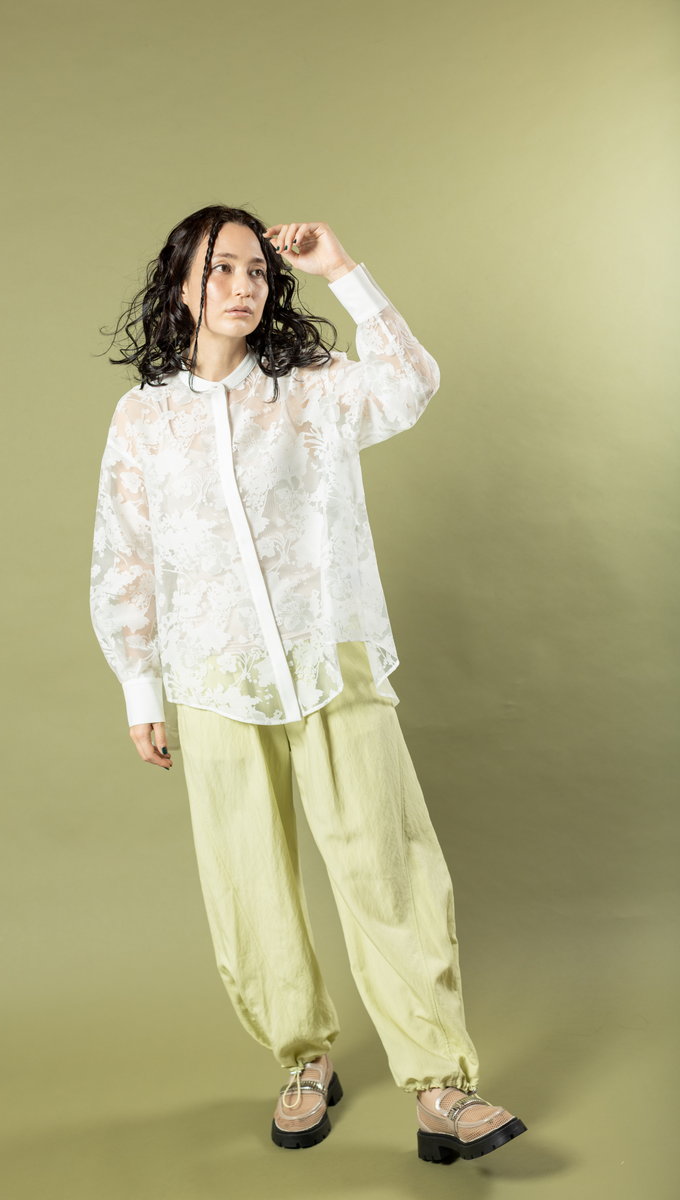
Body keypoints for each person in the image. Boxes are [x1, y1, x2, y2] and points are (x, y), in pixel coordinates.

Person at [89, 204, 527, 1165]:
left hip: (332, 658)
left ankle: (441, 1085)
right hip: (213, 676)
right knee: (248, 880)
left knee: (390, 867)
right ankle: (303, 1059)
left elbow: (411, 385)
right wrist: (140, 691)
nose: (242, 286)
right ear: (181, 286)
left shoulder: (310, 388)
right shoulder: (144, 418)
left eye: (256, 271)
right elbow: (126, 558)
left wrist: (342, 268)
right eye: (221, 269)